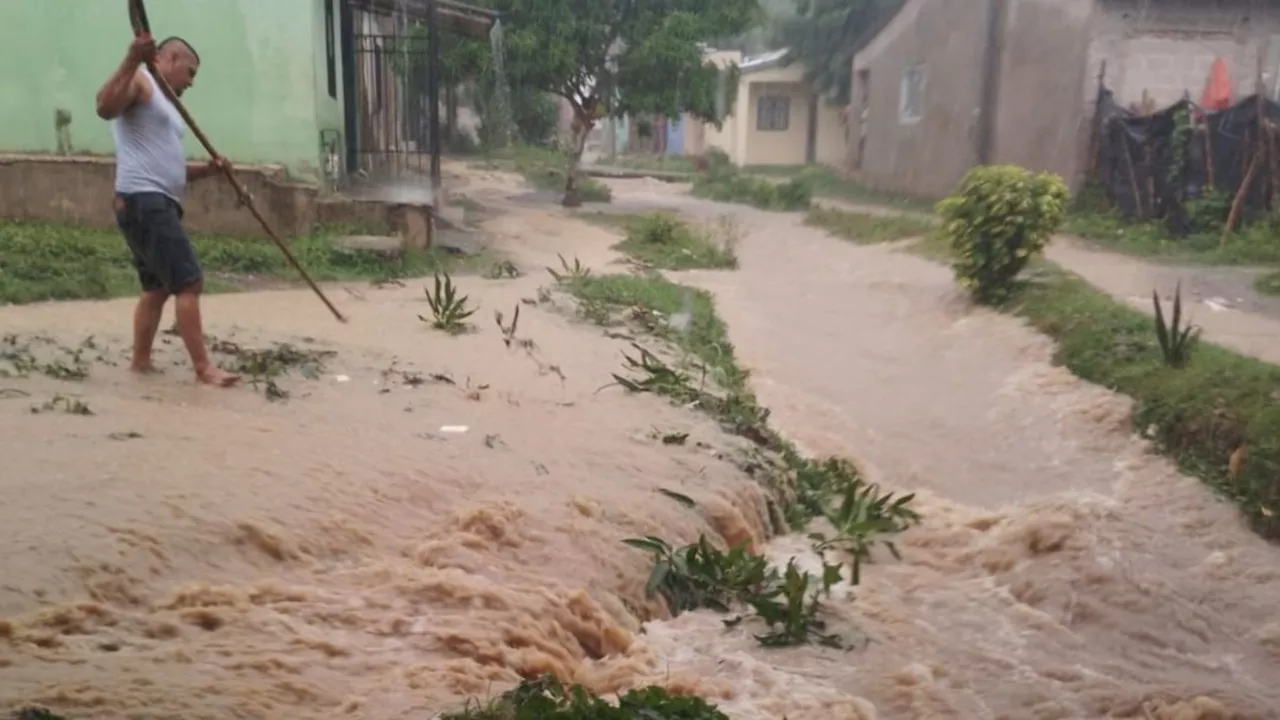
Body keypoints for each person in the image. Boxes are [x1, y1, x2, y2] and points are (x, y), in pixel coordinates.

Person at [95, 33, 240, 387]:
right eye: (189, 72)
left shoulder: (165, 104)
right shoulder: (142, 82)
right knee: (189, 282)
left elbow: (170, 168)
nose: (191, 82)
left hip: (149, 201)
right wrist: (132, 58)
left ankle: (140, 364)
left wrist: (209, 170)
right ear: (169, 60)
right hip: (146, 201)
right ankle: (204, 369)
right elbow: (104, 107)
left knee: (157, 287)